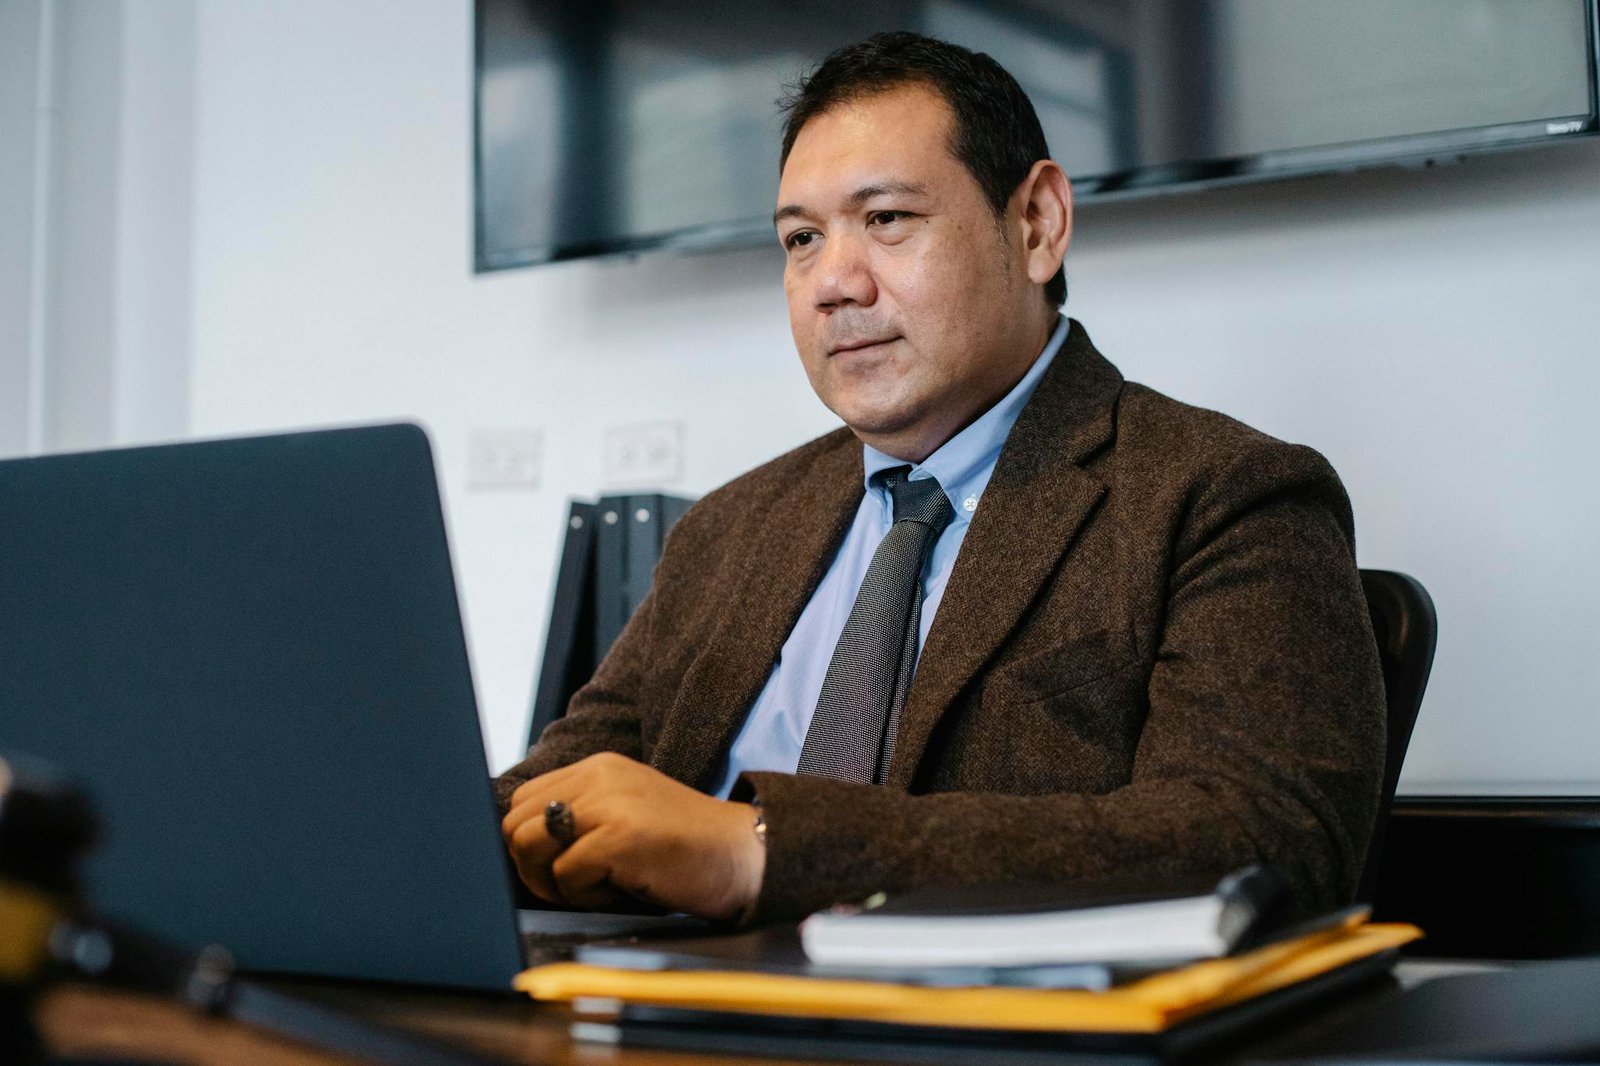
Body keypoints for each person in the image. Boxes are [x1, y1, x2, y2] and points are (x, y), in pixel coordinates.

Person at [496, 32, 1384, 926]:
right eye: (802, 239)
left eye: (886, 219)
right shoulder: (729, 528)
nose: (832, 284)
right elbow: (556, 790)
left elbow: (1264, 842)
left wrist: (757, 849)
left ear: (1037, 223)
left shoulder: (1226, 497)